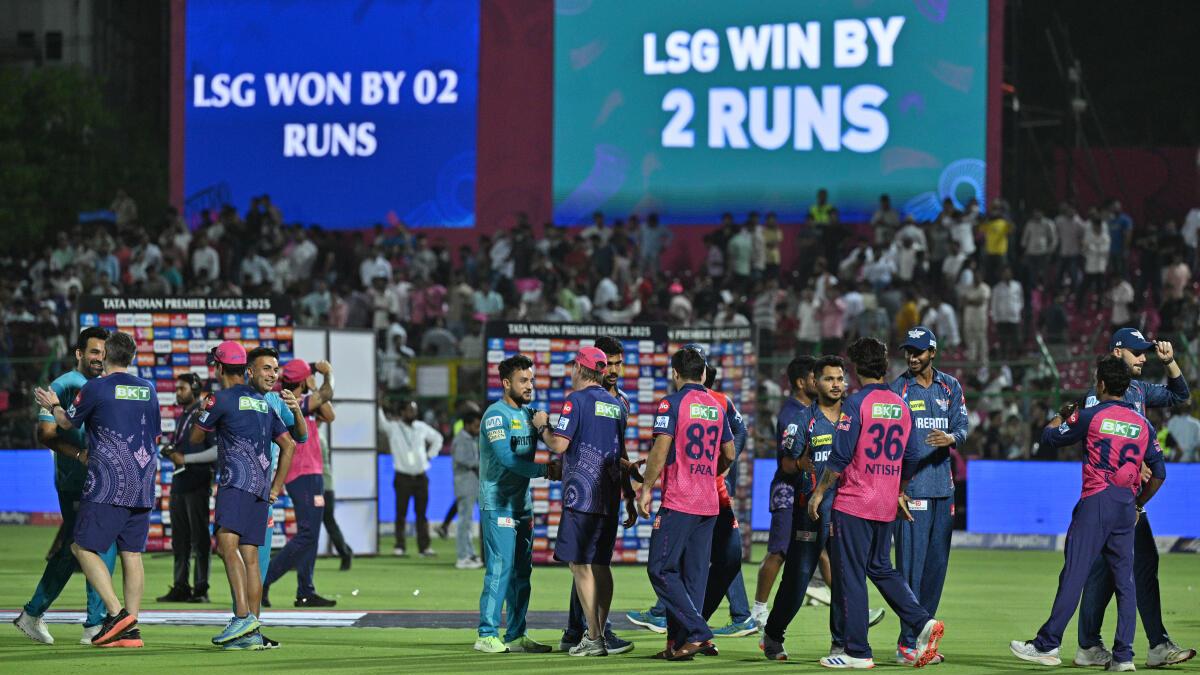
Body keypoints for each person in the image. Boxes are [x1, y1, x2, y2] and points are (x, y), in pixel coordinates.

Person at [1010, 356, 1167, 671]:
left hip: (1096, 502)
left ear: (1101, 384)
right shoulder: (1143, 424)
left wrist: (1061, 415)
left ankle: (1047, 645)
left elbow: (1049, 438)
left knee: (1074, 573)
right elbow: (1159, 473)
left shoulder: (1090, 416)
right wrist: (1138, 503)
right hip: (1126, 505)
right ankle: (1124, 656)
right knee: (1125, 582)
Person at [807, 337, 945, 669]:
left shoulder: (856, 404)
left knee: (851, 575)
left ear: (856, 369)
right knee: (881, 567)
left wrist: (819, 492)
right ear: (884, 366)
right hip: (885, 503)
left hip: (854, 502)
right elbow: (912, 456)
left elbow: (840, 456)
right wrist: (898, 490)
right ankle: (923, 621)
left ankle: (857, 652)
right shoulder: (901, 404)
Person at [1073, 329, 1194, 669]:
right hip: (1109, 494)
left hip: (1128, 497)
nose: (1143, 358)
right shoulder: (1097, 397)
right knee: (1134, 565)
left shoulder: (1138, 389)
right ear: (1116, 353)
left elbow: (1180, 394)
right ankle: (1154, 645)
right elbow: (1095, 439)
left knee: (1110, 569)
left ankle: (1090, 645)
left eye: (1145, 352)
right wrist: (1133, 462)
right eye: (1136, 352)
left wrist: (1170, 363)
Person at [33, 330, 162, 649]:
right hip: (144, 480)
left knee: (81, 547)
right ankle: (131, 629)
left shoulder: (96, 387)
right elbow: (155, 433)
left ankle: (117, 616)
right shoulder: (148, 389)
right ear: (132, 357)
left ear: (106, 356)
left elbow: (67, 423)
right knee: (132, 553)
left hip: (108, 480)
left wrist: (53, 405)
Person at [13, 328, 119, 645]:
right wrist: (79, 455)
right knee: (96, 546)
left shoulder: (103, 385)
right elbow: (45, 433)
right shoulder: (63, 385)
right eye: (94, 352)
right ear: (79, 353)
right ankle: (95, 624)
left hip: (98, 481)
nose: (99, 358)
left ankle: (33, 613)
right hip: (76, 482)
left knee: (77, 549)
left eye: (104, 353)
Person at [191, 341, 299, 650]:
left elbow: (196, 437)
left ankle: (242, 617)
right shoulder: (264, 402)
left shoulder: (220, 399)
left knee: (227, 545)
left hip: (236, 483)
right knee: (250, 558)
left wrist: (202, 410)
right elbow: (290, 444)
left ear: (219, 368)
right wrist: (275, 487)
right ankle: (251, 633)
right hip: (261, 490)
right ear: (245, 369)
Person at [637, 346, 736, 661]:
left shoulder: (672, 403)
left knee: (660, 569)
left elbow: (661, 448)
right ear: (704, 373)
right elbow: (730, 453)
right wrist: (708, 473)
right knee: (693, 577)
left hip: (680, 500)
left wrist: (646, 488)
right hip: (709, 502)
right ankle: (679, 645)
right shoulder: (717, 406)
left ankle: (698, 632)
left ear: (675, 373)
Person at [536, 346, 634, 657]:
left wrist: (542, 425)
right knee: (601, 565)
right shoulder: (616, 405)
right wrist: (630, 493)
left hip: (582, 497)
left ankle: (593, 637)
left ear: (579, 368)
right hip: (609, 496)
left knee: (579, 565)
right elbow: (619, 452)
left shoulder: (575, 401)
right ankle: (599, 633)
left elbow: (558, 444)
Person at [762, 355, 858, 660]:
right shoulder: (802, 420)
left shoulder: (855, 417)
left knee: (844, 577)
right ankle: (773, 634)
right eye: (829, 379)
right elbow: (786, 464)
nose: (836, 384)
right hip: (810, 511)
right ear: (815, 382)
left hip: (847, 509)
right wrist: (800, 464)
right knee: (798, 578)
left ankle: (840, 643)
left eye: (840, 378)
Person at [891, 327, 969, 666]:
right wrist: (896, 489)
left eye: (919, 351)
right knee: (910, 569)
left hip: (943, 490)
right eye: (909, 351)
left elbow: (963, 427)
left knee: (936, 569)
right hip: (911, 492)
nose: (912, 357)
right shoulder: (898, 389)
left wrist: (951, 438)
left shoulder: (950, 386)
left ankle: (923, 639)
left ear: (932, 352)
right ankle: (907, 643)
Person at [475, 354, 556, 654]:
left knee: (523, 572)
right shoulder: (495, 416)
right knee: (501, 567)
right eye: (523, 380)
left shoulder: (530, 415)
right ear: (506, 383)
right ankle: (486, 634)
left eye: (531, 380)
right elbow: (508, 460)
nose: (529, 385)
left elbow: (559, 439)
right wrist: (546, 470)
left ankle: (516, 633)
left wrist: (547, 427)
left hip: (522, 504)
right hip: (498, 503)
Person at [563, 336, 634, 653]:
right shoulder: (582, 398)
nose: (614, 370)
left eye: (619, 363)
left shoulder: (622, 402)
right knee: (584, 563)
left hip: (605, 493)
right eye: (610, 363)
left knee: (588, 563)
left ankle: (588, 631)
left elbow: (620, 451)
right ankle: (583, 630)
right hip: (586, 492)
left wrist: (629, 493)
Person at [264, 359, 337, 608]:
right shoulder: (290, 402)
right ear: (303, 381)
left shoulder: (305, 401)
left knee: (311, 534)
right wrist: (327, 376)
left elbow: (330, 414)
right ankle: (264, 579)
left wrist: (313, 387)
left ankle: (305, 591)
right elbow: (327, 394)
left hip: (310, 473)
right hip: (303, 474)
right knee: (308, 533)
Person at [753, 357, 814, 626]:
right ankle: (758, 611)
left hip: (808, 490)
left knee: (825, 552)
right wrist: (802, 463)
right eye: (815, 377)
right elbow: (787, 464)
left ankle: (849, 608)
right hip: (788, 489)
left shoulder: (812, 409)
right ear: (801, 382)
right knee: (778, 551)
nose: (819, 381)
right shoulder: (792, 414)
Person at [159, 373, 216, 604]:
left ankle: (201, 589)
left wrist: (185, 459)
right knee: (179, 539)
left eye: (182, 388)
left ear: (194, 389)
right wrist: (171, 451)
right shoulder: (184, 415)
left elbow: (217, 451)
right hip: (180, 482)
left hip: (198, 481)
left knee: (200, 538)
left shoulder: (204, 414)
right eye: (177, 388)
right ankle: (181, 586)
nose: (177, 392)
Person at [379, 400, 444, 557]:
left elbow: (438, 438)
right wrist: (378, 405)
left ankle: (424, 547)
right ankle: (400, 546)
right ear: (402, 412)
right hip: (402, 476)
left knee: (422, 514)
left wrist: (430, 455)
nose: (413, 413)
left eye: (414, 410)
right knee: (401, 513)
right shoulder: (394, 428)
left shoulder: (421, 427)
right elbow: (381, 424)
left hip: (421, 476)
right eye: (410, 410)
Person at [450, 411, 483, 569]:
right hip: (465, 484)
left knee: (468, 521)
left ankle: (469, 553)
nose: (478, 429)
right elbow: (463, 460)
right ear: (467, 425)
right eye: (476, 426)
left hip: (473, 484)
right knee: (464, 521)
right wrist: (482, 464)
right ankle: (462, 557)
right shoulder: (461, 440)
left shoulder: (472, 439)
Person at [319, 432, 354, 570]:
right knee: (328, 523)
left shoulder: (316, 437)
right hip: (325, 487)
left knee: (324, 523)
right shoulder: (320, 436)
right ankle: (345, 551)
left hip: (322, 487)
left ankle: (345, 552)